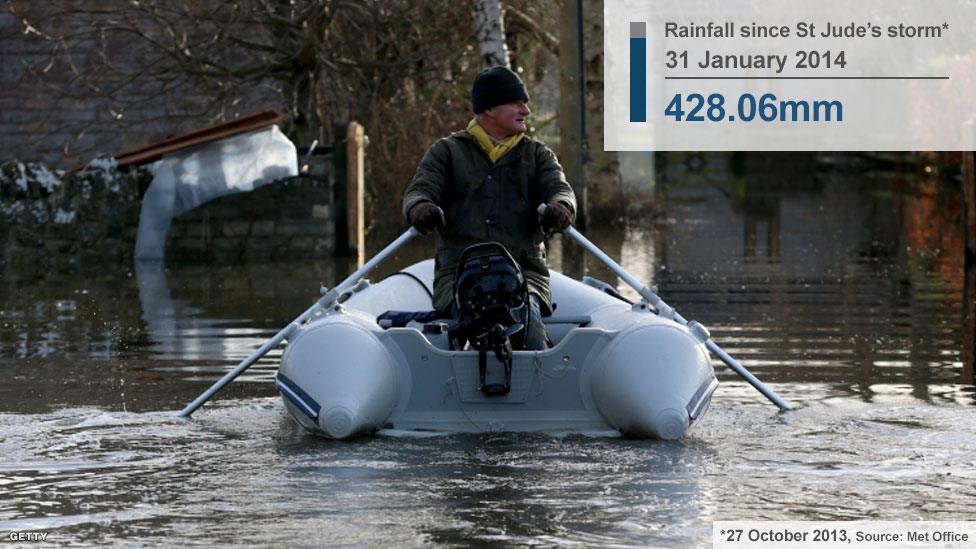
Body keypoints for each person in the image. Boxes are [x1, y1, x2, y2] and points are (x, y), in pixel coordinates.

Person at [402, 65, 576, 350]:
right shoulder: (446, 152)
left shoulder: (538, 155)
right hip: (459, 274)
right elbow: (419, 190)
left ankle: (533, 366)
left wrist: (562, 206)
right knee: (471, 325)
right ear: (491, 108)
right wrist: (420, 207)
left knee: (528, 330)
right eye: (517, 103)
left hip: (525, 275)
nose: (526, 111)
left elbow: (560, 188)